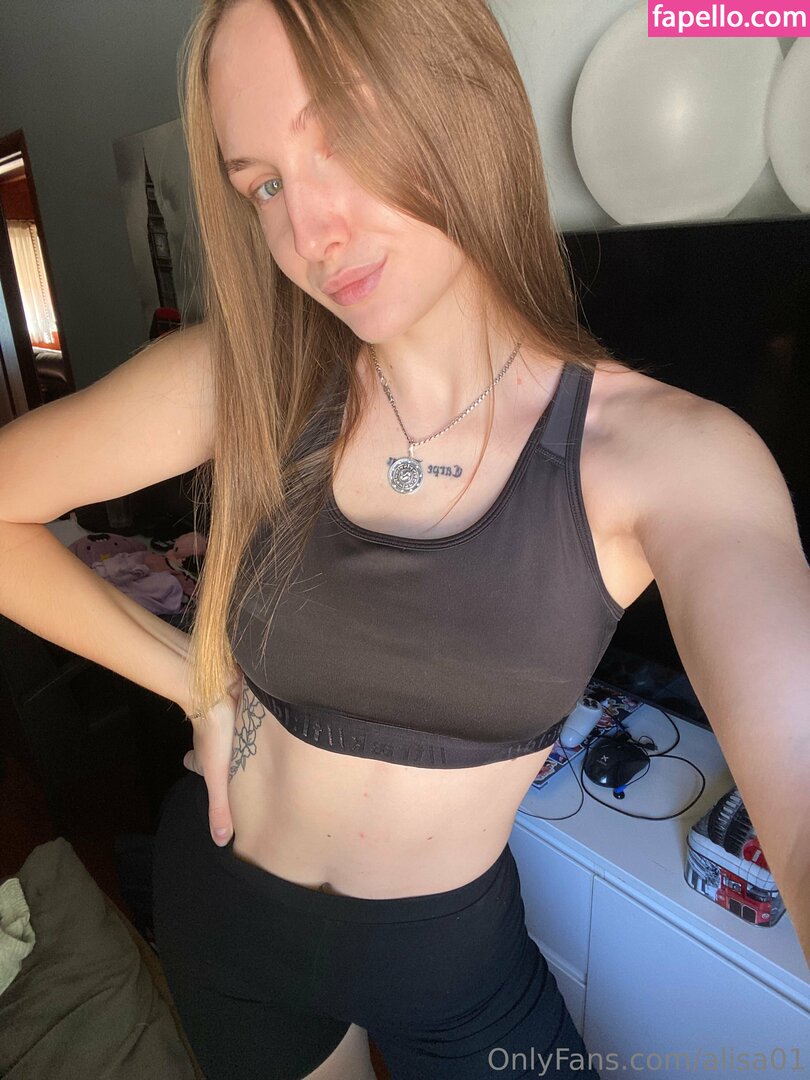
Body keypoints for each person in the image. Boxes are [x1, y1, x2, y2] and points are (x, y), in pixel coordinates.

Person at [0, 0, 807, 1078]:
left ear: (459, 99)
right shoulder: (240, 382)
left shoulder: (672, 457)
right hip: (230, 921)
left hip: (451, 960)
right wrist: (195, 681)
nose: (309, 233)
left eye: (341, 135)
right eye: (263, 185)